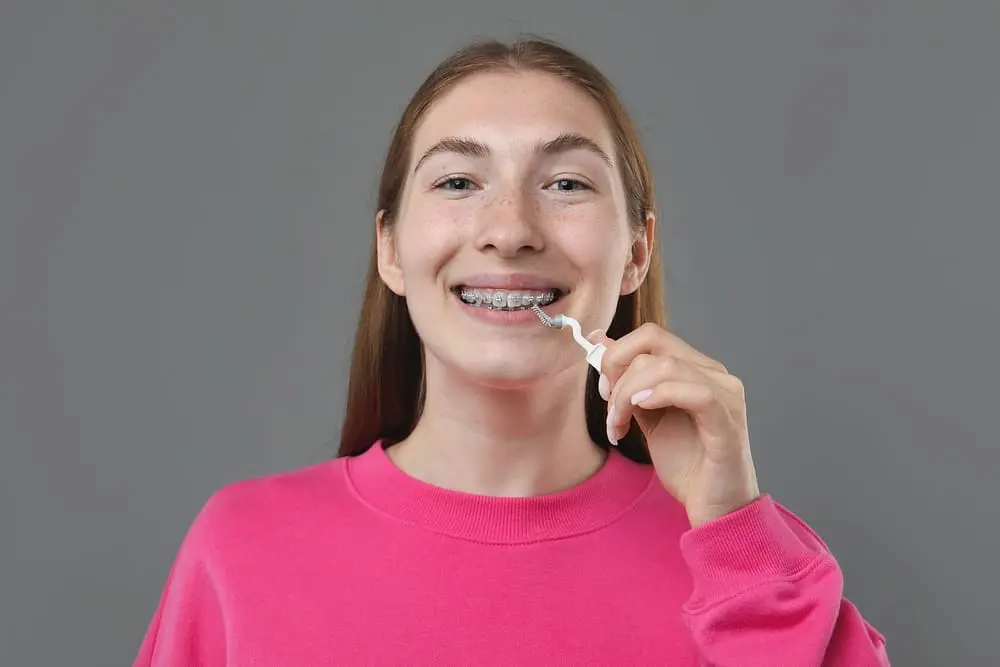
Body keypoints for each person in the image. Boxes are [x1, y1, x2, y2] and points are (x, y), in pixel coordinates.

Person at [134, 36, 891, 666]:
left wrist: (735, 532)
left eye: (565, 183)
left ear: (636, 254)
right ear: (390, 249)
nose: (510, 228)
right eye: (460, 180)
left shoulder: (751, 562)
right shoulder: (241, 550)